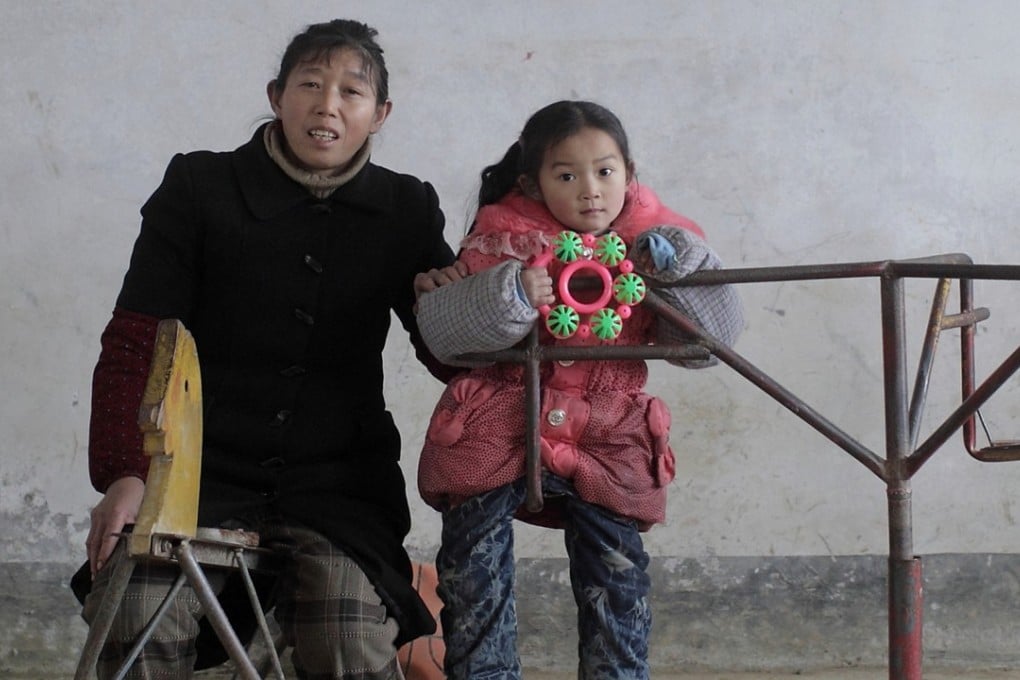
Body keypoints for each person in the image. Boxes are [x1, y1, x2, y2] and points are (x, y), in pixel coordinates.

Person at [75, 19, 459, 679]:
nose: (328, 105)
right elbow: (137, 341)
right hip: (196, 474)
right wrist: (125, 474)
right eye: (310, 84)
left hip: (341, 483)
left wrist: (453, 305)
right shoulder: (199, 189)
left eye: (351, 92)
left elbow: (449, 360)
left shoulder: (405, 209)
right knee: (140, 612)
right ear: (277, 94)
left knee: (344, 640)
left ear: (380, 115)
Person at [413, 100, 744, 679]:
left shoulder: (654, 247)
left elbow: (710, 342)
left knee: (617, 577)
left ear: (630, 173)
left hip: (608, 433)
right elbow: (445, 337)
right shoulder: (500, 242)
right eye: (566, 175)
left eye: (605, 171)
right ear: (533, 184)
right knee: (474, 570)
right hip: (500, 418)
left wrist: (680, 269)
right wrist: (511, 293)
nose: (590, 189)